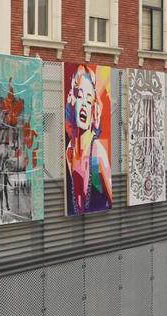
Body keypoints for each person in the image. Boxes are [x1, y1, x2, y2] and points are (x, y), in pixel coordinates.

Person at [64, 65, 111, 215]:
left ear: (93, 110)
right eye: (80, 96)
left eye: (89, 100)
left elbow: (108, 196)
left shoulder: (97, 152)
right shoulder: (69, 151)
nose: (84, 104)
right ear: (73, 101)